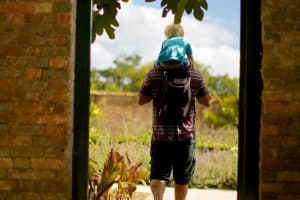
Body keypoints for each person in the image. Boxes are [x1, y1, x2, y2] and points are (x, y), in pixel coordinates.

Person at [138, 65, 211, 200]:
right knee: (182, 180)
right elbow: (206, 102)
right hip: (186, 137)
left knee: (158, 176)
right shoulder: (195, 76)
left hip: (161, 136)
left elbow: (141, 100)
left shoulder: (153, 75)